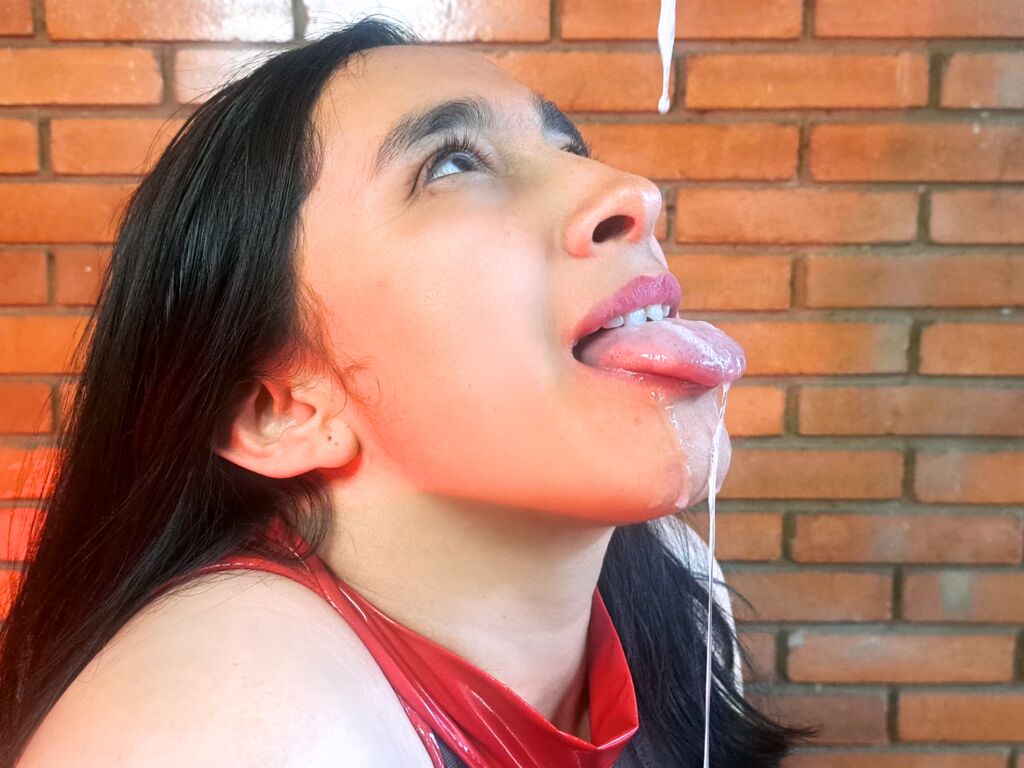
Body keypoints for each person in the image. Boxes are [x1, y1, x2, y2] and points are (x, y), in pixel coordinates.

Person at [0, 17, 814, 767]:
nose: (630, 191)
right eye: (451, 164)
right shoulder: (222, 723)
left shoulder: (676, 585)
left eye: (567, 146)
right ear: (280, 410)